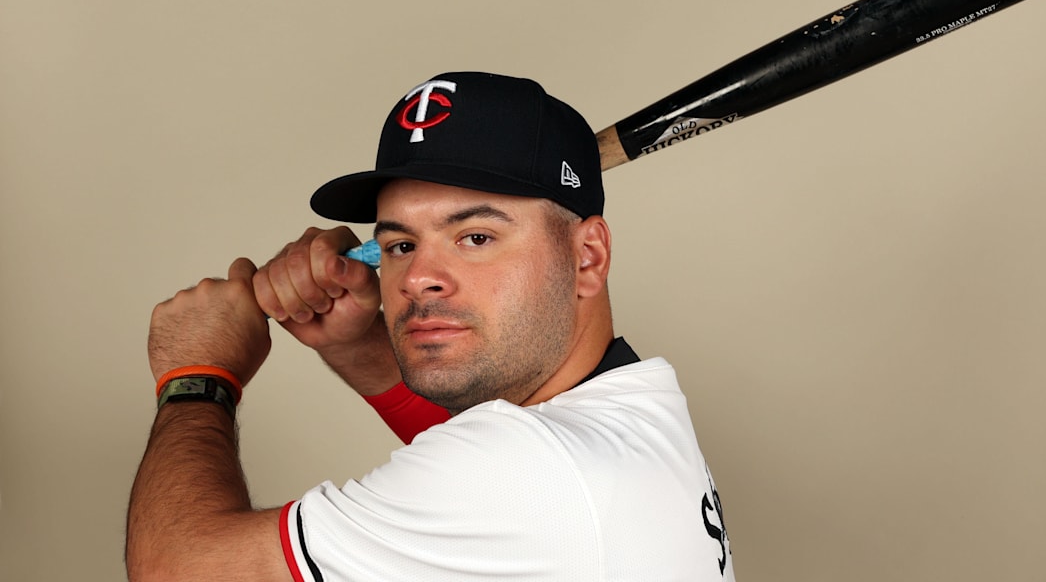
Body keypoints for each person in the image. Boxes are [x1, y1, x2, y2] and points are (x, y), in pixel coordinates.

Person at [127, 72, 734, 581]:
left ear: (587, 257)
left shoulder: (526, 472)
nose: (418, 278)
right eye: (399, 244)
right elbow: (484, 458)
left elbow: (176, 571)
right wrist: (357, 345)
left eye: (475, 237)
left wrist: (199, 372)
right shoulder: (630, 411)